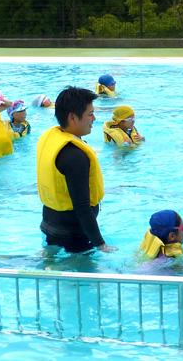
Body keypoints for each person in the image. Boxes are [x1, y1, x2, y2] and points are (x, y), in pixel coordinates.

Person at [36, 86, 117, 254]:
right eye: (90, 114)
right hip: (73, 235)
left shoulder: (51, 137)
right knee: (83, 277)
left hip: (50, 224)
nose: (94, 118)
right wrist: (100, 244)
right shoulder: (75, 156)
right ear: (72, 117)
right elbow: (82, 207)